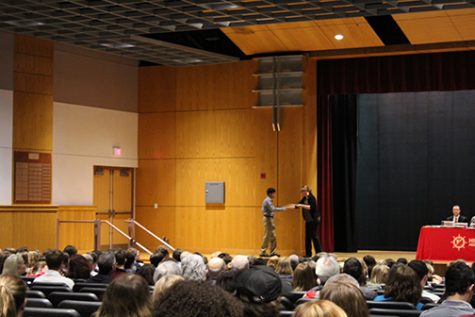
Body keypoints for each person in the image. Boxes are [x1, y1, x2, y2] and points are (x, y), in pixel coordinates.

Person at [260, 187, 293, 257]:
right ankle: (263, 251)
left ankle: (273, 252)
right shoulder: (267, 201)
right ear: (270, 193)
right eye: (274, 193)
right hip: (268, 219)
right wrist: (284, 208)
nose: (275, 194)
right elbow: (273, 209)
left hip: (270, 218)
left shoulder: (268, 200)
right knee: (267, 236)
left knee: (273, 236)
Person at [296, 186, 322, 257]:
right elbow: (299, 204)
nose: (302, 193)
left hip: (314, 220)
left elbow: (311, 207)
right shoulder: (304, 198)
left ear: (307, 191)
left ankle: (319, 253)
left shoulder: (311, 197)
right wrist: (295, 205)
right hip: (308, 220)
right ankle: (308, 254)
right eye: (301, 191)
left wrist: (301, 205)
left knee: (314, 236)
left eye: (303, 191)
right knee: (307, 237)